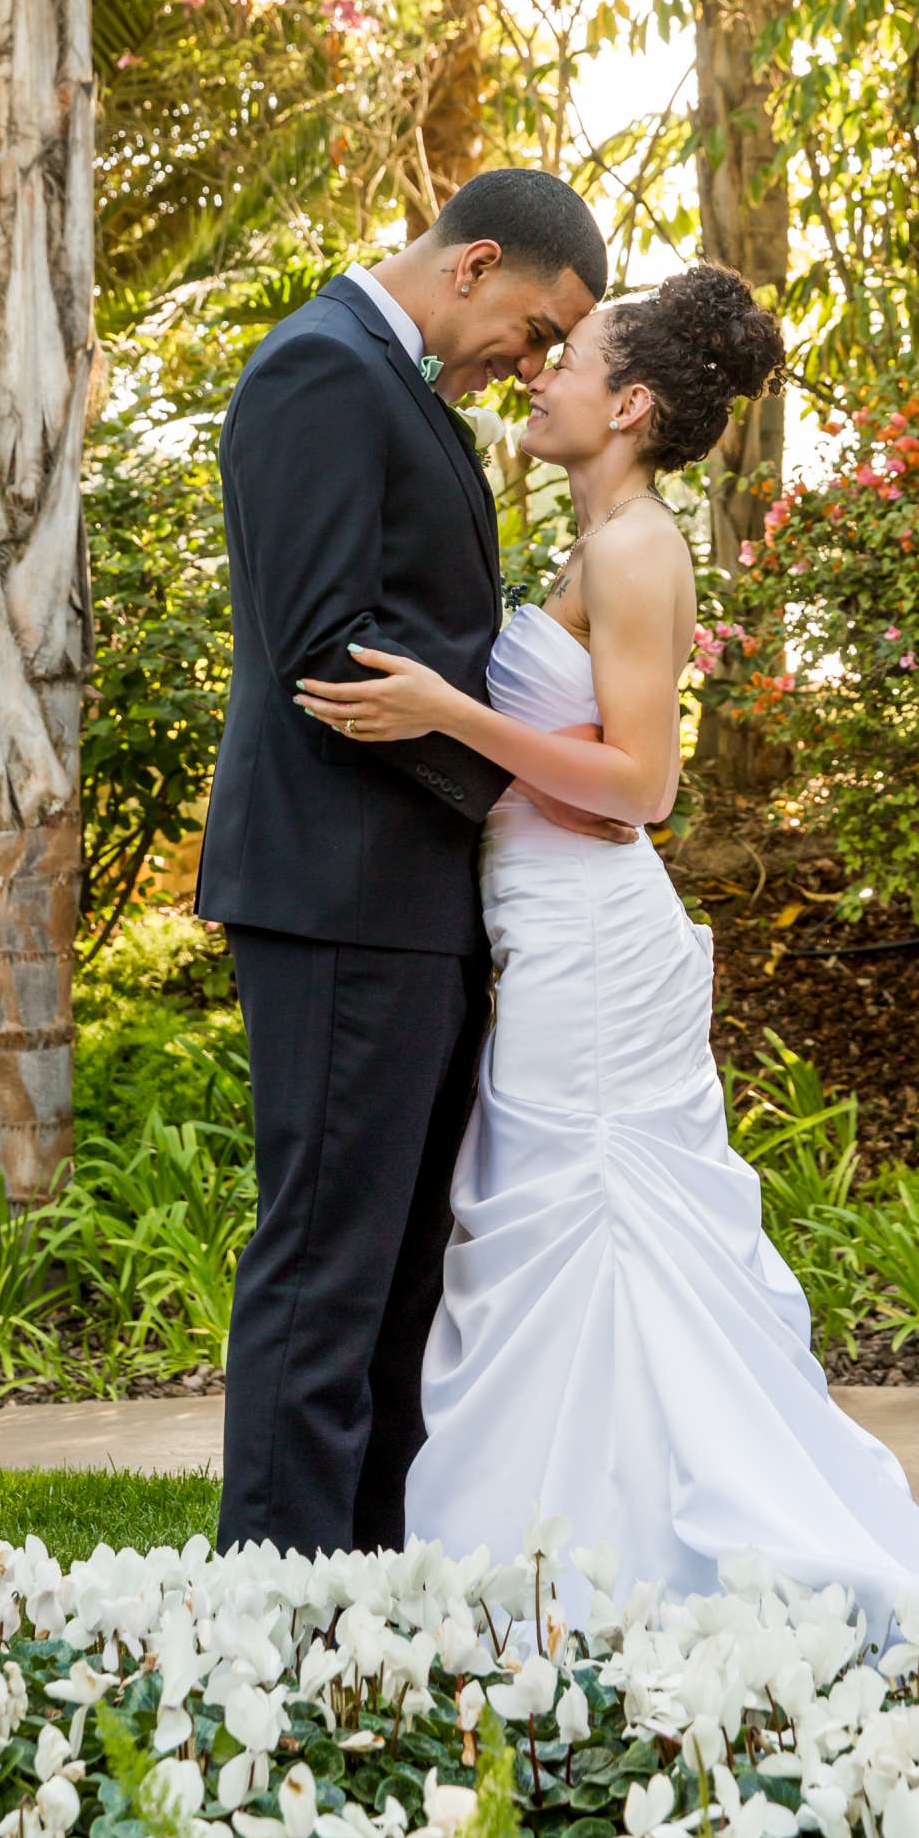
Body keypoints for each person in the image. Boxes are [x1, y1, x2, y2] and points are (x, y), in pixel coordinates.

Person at [294, 262, 919, 1701]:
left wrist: (449, 710)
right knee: (555, 1248)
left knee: (581, 1240)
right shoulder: (600, 538)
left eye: (567, 355)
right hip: (550, 929)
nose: (539, 370)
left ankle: (581, 1563)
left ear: (632, 404)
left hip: (595, 947)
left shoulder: (643, 548)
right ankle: (577, 1549)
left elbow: (643, 784)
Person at [196, 169, 625, 1561]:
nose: (538, 358)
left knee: (389, 1291)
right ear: (474, 262)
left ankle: (365, 1601)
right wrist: (510, 764)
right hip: (339, 894)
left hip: (413, 898)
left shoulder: (406, 393)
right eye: (541, 324)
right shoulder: (318, 371)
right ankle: (269, 1611)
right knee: (325, 1271)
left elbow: (425, 633)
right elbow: (328, 652)